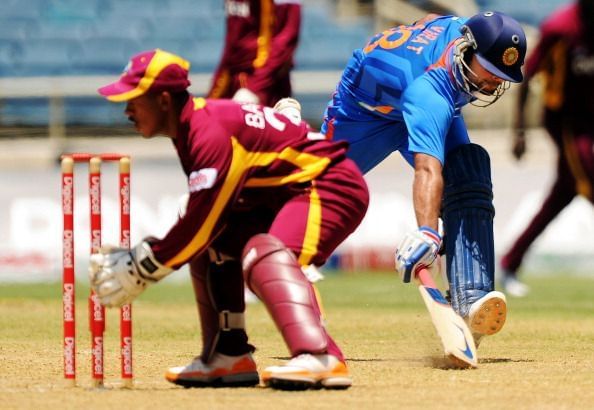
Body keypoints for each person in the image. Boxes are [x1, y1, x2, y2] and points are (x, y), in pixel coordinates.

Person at [89, 49, 368, 390]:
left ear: (163, 100)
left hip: (327, 183)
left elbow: (201, 220)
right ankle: (228, 355)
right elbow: (208, 222)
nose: (126, 110)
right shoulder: (193, 127)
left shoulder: (207, 132)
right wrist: (156, 257)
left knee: (265, 252)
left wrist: (144, 267)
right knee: (215, 243)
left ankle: (321, 356)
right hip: (284, 192)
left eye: (134, 98)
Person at [319, 11, 527, 345]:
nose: (492, 84)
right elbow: (427, 169)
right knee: (316, 191)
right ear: (467, 51)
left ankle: (472, 299)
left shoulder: (462, 34)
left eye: (501, 77)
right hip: (364, 114)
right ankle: (283, 267)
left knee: (467, 170)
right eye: (489, 72)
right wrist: (428, 233)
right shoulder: (431, 92)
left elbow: (433, 17)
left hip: (413, 97)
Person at [500, 0, 594, 297]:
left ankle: (509, 263)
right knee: (589, 182)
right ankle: (508, 263)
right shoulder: (560, 28)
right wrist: (519, 132)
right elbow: (527, 77)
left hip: (589, 120)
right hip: (565, 121)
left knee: (562, 195)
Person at [207, 0, 301, 107]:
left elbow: (287, 35)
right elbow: (233, 41)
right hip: (233, 77)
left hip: (262, 81)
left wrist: (254, 86)